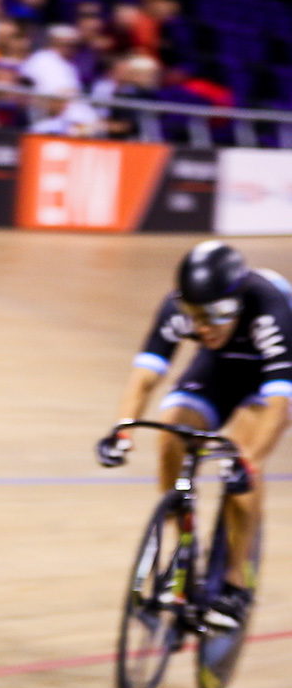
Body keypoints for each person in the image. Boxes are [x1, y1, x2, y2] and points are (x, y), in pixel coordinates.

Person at [97, 242, 292, 629]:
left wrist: (248, 464)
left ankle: (235, 582)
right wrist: (122, 431)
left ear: (236, 300)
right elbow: (146, 377)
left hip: (271, 379)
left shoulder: (269, 307)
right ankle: (182, 551)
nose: (204, 326)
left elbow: (279, 407)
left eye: (217, 314)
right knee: (171, 432)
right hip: (219, 367)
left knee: (240, 461)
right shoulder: (181, 310)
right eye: (195, 315)